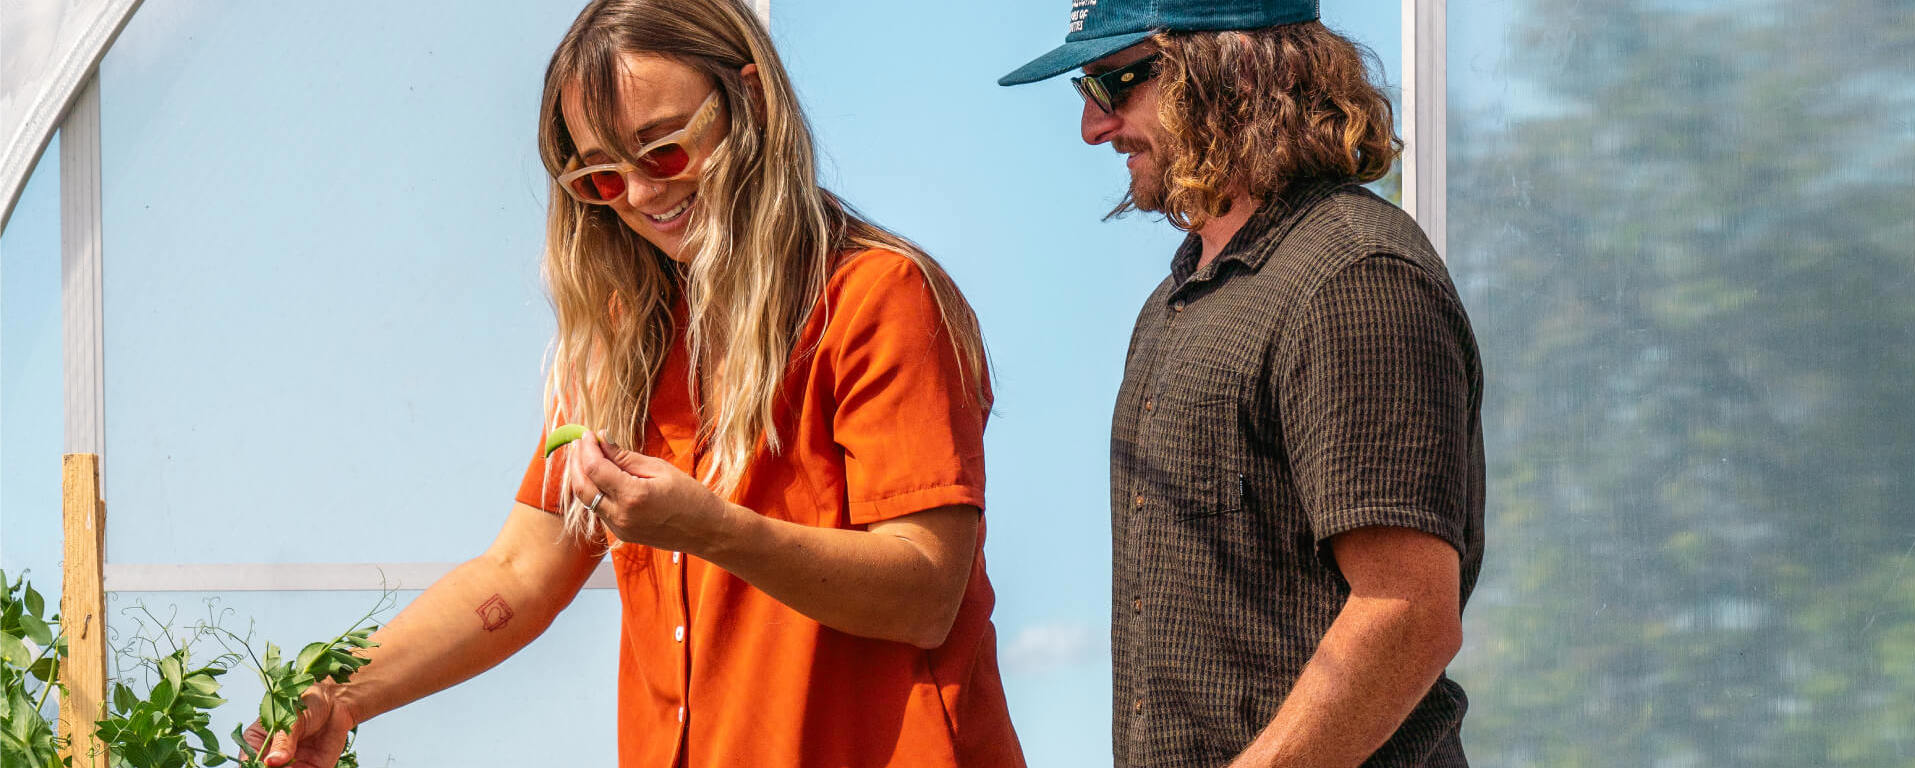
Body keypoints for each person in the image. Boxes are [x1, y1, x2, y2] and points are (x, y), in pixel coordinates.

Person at [248, 1, 1026, 765]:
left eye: (664, 151)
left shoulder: (878, 298)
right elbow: (520, 573)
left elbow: (926, 595)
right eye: (602, 178)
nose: (645, 195)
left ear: (751, 100)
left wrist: (712, 530)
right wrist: (343, 697)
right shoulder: (625, 339)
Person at [998, 1, 1486, 766]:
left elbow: (1407, 612)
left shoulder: (1354, 276)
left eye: (1114, 83)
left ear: (1235, 71)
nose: (1093, 127)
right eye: (1084, 89)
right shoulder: (1174, 302)